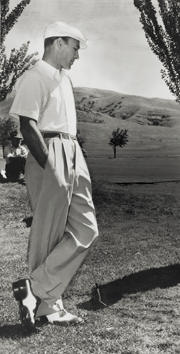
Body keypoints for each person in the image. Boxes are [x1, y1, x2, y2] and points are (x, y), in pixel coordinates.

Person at [9, 21, 99, 330]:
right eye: (75, 48)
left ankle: (33, 288)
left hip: (73, 150)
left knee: (87, 230)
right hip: (48, 151)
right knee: (48, 232)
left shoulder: (64, 79)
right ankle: (48, 307)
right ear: (58, 43)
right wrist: (51, 166)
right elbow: (27, 126)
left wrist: (71, 160)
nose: (77, 55)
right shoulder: (34, 77)